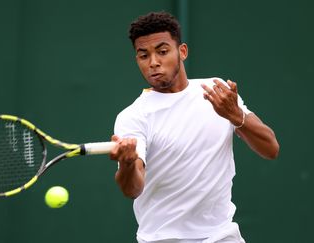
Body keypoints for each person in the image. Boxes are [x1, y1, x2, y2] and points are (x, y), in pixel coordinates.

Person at [109, 11, 279, 243]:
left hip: (222, 237)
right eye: (143, 55)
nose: (153, 62)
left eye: (162, 51)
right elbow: (132, 189)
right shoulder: (133, 117)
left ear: (182, 52)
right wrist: (127, 164)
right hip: (163, 239)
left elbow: (271, 148)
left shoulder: (217, 91)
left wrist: (236, 115)